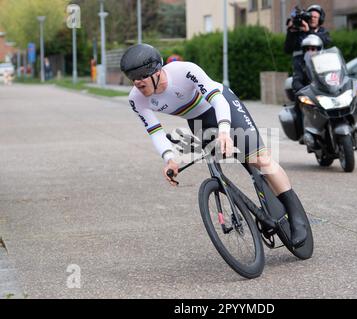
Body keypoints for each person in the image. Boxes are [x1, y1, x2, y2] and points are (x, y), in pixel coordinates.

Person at [120, 44, 308, 247]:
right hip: (197, 120)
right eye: (132, 78)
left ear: (157, 71)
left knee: (259, 159)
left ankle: (296, 214)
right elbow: (155, 131)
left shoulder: (184, 71)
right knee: (216, 166)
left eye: (141, 76)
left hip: (222, 105)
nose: (137, 82)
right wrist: (169, 159)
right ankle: (247, 206)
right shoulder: (136, 99)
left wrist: (225, 132)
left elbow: (217, 100)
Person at [284, 4, 331, 93]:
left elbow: (325, 41)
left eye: (315, 17)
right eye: (310, 16)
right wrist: (291, 32)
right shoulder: (298, 32)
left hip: (321, 69)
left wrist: (308, 31)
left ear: (320, 19)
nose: (312, 18)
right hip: (301, 69)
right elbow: (287, 49)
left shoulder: (323, 32)